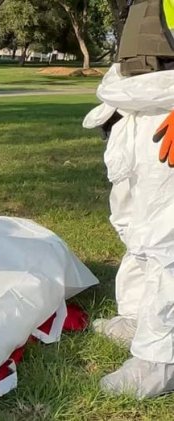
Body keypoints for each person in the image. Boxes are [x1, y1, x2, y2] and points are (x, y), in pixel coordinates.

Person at [83, 0, 174, 399]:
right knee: (133, 224)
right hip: (138, 102)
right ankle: (136, 316)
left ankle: (161, 358)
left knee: (166, 238)